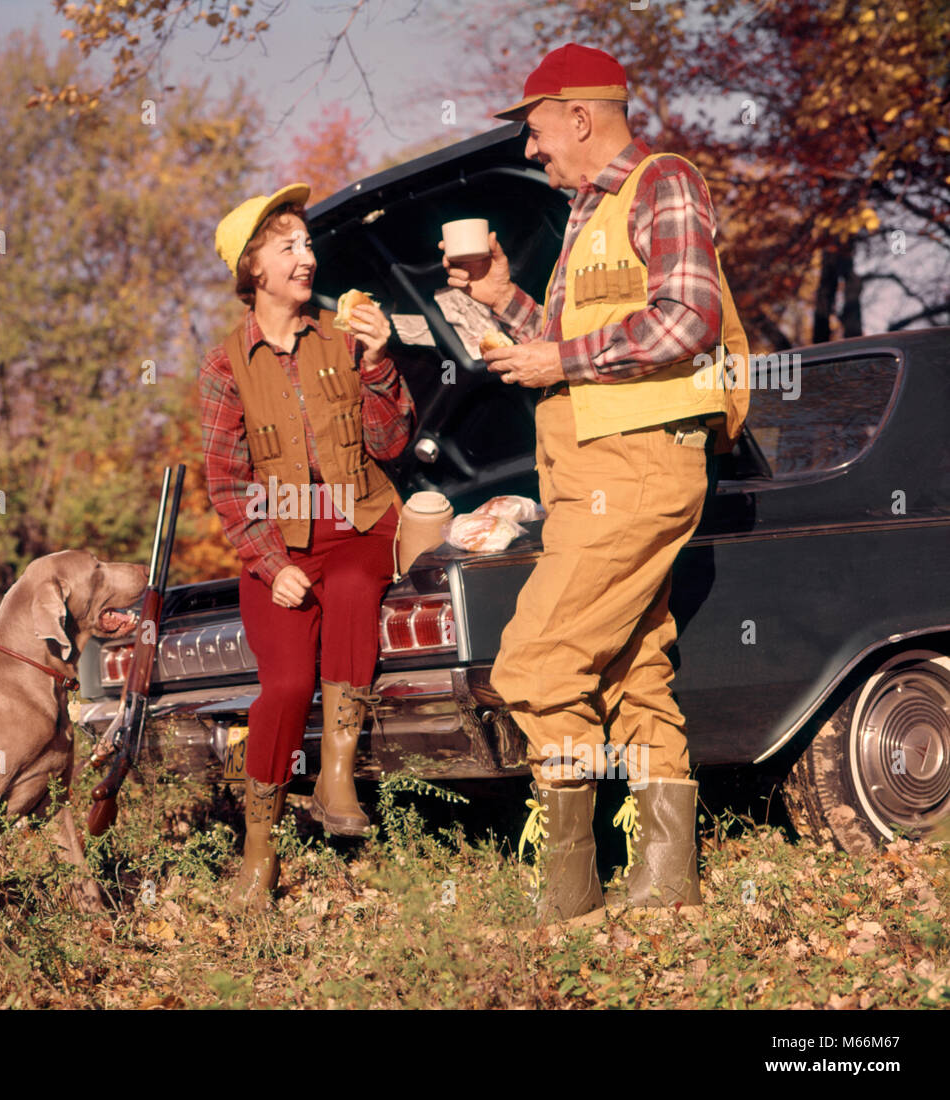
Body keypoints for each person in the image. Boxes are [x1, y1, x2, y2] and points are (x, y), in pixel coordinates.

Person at [441, 44, 749, 926]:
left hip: (641, 462)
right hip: (587, 472)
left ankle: (569, 895)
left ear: (579, 115)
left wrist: (558, 356)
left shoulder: (664, 181)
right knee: (634, 668)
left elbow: (687, 317)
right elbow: (596, 344)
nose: (531, 150)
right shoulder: (587, 212)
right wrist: (504, 300)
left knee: (536, 662)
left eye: (535, 130)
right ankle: (663, 892)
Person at [201, 183, 415, 906]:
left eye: (309, 243)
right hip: (281, 538)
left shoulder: (343, 340)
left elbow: (391, 441)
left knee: (355, 590)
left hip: (358, 518)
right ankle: (258, 856)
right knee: (286, 686)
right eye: (288, 245)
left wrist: (382, 362)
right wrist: (271, 564)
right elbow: (228, 487)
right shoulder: (225, 365)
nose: (308, 255)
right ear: (253, 269)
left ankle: (336, 779)